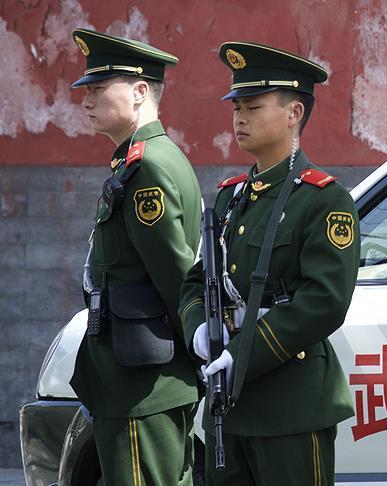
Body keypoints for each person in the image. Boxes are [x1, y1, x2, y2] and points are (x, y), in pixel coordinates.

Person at [178, 41, 359, 485]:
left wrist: (243, 354)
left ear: (294, 113)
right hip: (229, 408)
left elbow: (324, 301)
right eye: (236, 107)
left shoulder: (323, 200)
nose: (239, 118)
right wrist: (199, 328)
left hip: (290, 402)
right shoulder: (231, 197)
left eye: (253, 107)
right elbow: (198, 281)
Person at [69, 29, 202, 485]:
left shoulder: (147, 168)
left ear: (140, 91)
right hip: (138, 377)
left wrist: (198, 349)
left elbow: (176, 275)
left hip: (143, 382)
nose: (86, 99)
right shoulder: (141, 160)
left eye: (98, 87)